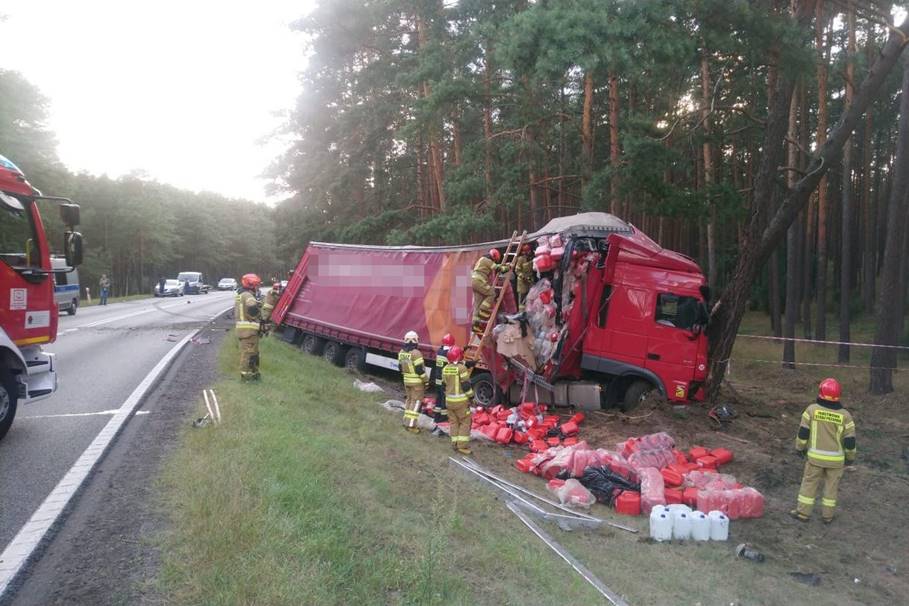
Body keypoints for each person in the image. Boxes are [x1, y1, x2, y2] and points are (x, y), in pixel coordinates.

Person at [790, 378, 856, 524]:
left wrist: (799, 448)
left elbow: (803, 433)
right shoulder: (846, 416)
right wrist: (850, 458)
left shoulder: (811, 410)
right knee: (831, 489)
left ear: (820, 392)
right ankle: (827, 517)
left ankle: (802, 513)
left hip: (814, 459)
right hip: (836, 462)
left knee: (809, 484)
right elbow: (850, 442)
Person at [442, 346, 474, 455]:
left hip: (449, 401)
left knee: (453, 422)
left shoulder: (445, 368)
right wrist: (471, 396)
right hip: (461, 402)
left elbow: (444, 384)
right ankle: (462, 446)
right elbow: (466, 385)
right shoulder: (461, 368)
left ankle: (454, 443)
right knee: (465, 422)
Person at [398, 330, 428, 433]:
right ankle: (411, 426)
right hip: (417, 383)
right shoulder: (416, 353)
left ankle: (405, 421)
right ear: (415, 341)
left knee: (409, 401)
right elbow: (420, 370)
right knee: (416, 403)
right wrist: (426, 381)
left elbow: (400, 367)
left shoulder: (401, 352)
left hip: (406, 381)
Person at [235, 273, 263, 381]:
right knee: (249, 353)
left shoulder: (241, 294)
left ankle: (254, 373)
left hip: (243, 330)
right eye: (257, 285)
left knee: (252, 352)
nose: (258, 288)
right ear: (252, 285)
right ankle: (246, 377)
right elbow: (252, 309)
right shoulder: (248, 296)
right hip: (249, 331)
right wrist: (258, 316)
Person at [471, 248, 501, 334]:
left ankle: (475, 326)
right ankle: (483, 310)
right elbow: (497, 268)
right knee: (492, 293)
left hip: (474, 281)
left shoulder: (482, 259)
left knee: (477, 304)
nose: (494, 261)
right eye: (495, 260)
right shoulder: (487, 260)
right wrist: (506, 267)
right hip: (479, 281)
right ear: (493, 257)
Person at [429, 333, 455, 428]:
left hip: (438, 379)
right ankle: (443, 419)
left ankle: (437, 417)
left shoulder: (440, 351)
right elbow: (454, 363)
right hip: (445, 381)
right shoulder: (448, 353)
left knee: (439, 399)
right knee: (444, 401)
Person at [514, 244, 534, 310]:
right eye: (528, 251)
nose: (529, 252)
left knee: (530, 297)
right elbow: (517, 271)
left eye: (530, 251)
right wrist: (524, 277)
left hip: (530, 280)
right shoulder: (521, 259)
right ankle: (521, 313)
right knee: (522, 299)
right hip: (522, 283)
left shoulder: (532, 258)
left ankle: (528, 311)